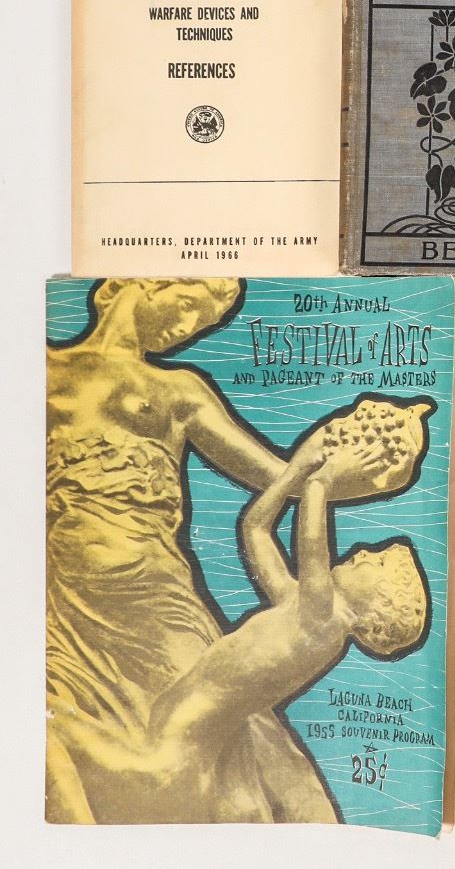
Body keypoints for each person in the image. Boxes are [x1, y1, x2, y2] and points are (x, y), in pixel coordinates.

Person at [46, 278, 344, 823]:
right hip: (62, 594)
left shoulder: (179, 389)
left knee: (235, 727)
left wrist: (341, 469)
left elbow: (273, 475)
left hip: (155, 591)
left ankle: (314, 839)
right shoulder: (39, 367)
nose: (185, 328)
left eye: (200, 322)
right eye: (186, 306)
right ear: (145, 283)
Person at [54, 442, 427, 823]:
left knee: (48, 743)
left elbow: (312, 540)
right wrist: (295, 472)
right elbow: (255, 529)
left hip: (171, 757)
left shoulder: (325, 623)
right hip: (169, 744)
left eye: (377, 563)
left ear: (374, 612)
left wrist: (326, 477)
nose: (363, 551)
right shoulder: (299, 608)